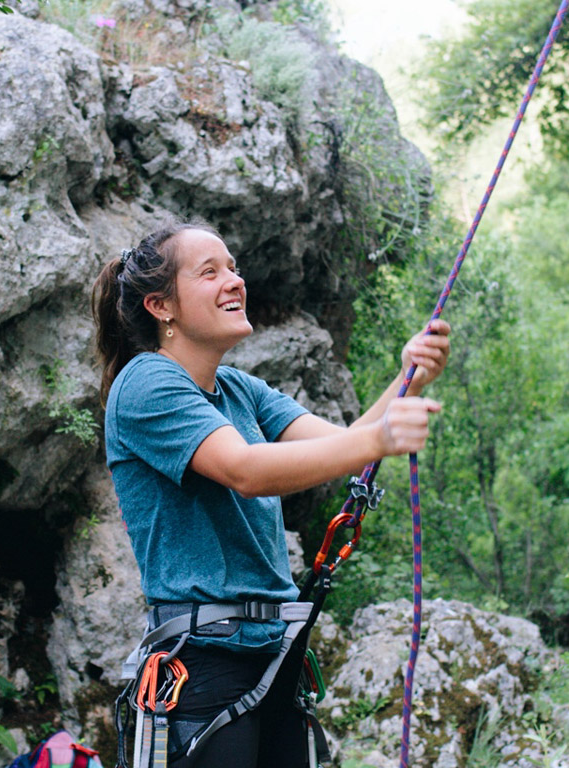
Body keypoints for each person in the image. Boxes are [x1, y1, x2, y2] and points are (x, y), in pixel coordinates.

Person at [92, 221, 450, 768]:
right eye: (209, 272)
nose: (234, 280)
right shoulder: (145, 384)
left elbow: (346, 446)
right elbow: (245, 470)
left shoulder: (239, 389)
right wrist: (381, 436)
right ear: (160, 306)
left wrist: (407, 380)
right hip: (204, 665)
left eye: (232, 267)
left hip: (274, 653)